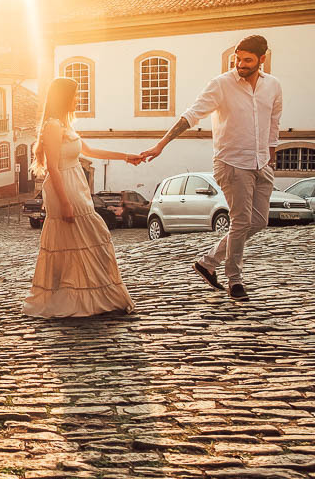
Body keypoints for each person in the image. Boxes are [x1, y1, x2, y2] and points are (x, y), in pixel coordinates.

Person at [141, 35, 281, 301]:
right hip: (231, 162)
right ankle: (234, 280)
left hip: (261, 162)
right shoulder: (221, 84)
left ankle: (208, 262)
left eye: (248, 60)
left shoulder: (273, 86)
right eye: (238, 59)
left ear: (262, 59)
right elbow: (191, 115)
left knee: (259, 222)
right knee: (241, 221)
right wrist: (161, 144)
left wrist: (270, 158)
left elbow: (274, 123)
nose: (241, 64)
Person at [22, 77, 142, 318]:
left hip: (76, 186)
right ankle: (73, 298)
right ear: (64, 97)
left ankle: (86, 296)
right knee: (93, 236)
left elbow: (90, 151)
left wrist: (126, 156)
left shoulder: (65, 126)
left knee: (77, 245)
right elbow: (53, 167)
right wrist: (65, 203)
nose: (78, 98)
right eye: (75, 95)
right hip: (64, 188)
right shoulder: (53, 126)